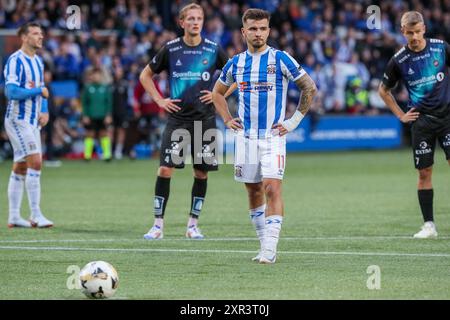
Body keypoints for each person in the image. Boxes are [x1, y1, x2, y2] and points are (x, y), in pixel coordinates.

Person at [212, 8, 317, 263]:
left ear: (268, 31)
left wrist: (292, 122)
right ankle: (262, 245)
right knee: (253, 191)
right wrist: (226, 118)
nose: (258, 33)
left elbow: (309, 87)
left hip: (273, 138)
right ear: (243, 31)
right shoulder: (235, 62)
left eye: (262, 29)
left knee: (272, 188)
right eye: (253, 29)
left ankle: (270, 250)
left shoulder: (281, 59)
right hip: (246, 139)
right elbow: (217, 93)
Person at [140, 3, 229, 240]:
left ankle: (193, 225)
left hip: (205, 119)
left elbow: (234, 76)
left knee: (201, 173)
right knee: (165, 169)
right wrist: (159, 100)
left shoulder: (212, 48)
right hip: (178, 120)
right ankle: (158, 225)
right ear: (182, 23)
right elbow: (145, 75)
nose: (195, 22)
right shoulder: (171, 48)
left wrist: (218, 95)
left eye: (198, 18)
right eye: (190, 18)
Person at [378, 11, 450, 239]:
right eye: (410, 33)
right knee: (424, 173)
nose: (415, 37)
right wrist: (400, 115)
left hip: (447, 117)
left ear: (424, 29)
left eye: (418, 32)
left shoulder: (441, 47)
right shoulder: (399, 60)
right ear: (403, 32)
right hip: (421, 122)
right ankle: (429, 225)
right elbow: (383, 91)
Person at [3, 22, 54, 228]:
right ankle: (36, 214)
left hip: (33, 121)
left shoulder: (38, 62)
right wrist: (38, 93)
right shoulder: (15, 61)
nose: (40, 37)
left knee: (21, 166)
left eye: (41, 33)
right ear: (24, 37)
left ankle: (14, 216)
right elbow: (11, 92)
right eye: (35, 34)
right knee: (36, 162)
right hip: (18, 120)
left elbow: (42, 90)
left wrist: (44, 109)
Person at [82, 68, 113, 161]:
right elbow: (84, 103)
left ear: (101, 76)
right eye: (94, 75)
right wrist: (85, 115)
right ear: (91, 76)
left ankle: (107, 155)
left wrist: (108, 115)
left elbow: (108, 103)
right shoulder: (88, 88)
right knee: (89, 134)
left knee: (104, 134)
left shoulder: (105, 88)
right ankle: (87, 156)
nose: (96, 76)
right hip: (91, 115)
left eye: (98, 74)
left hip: (102, 116)